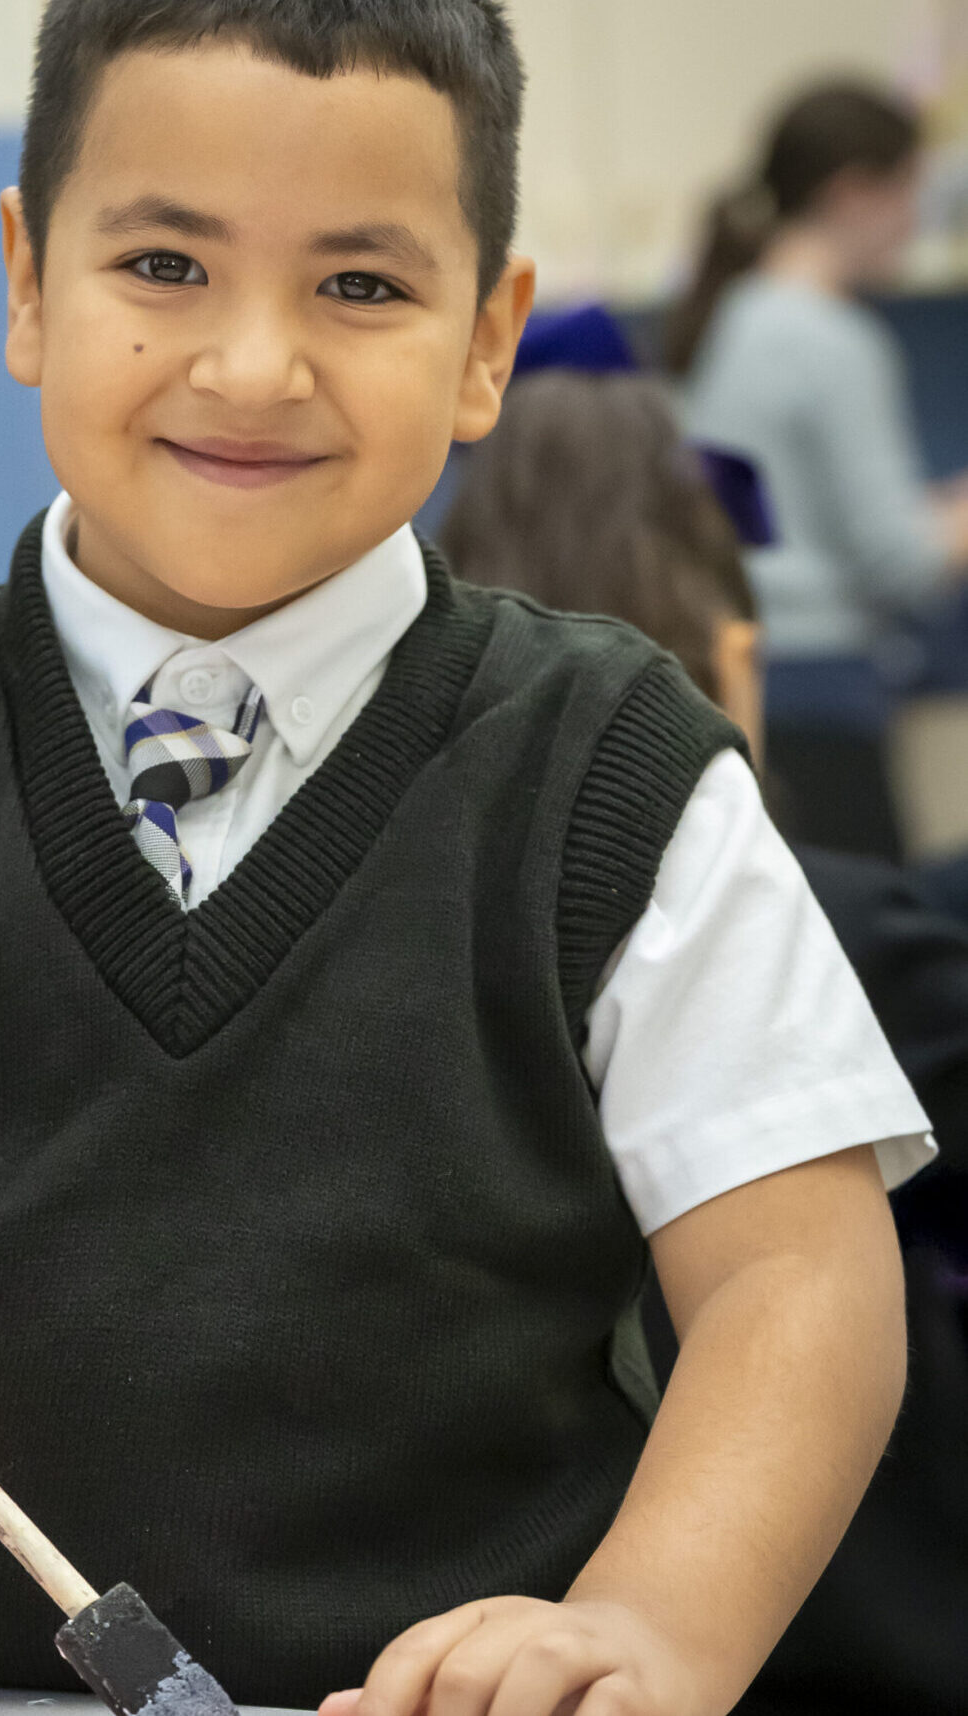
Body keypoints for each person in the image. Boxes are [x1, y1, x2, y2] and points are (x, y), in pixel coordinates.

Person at [0, 7, 933, 1714]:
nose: (253, 366)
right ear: (29, 284)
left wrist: (653, 1626)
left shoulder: (617, 767)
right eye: (165, 263)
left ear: (490, 338)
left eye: (362, 286)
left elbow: (797, 1282)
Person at [442, 365, 968, 1714]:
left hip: (513, 1634)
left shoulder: (428, 942)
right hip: (844, 1642)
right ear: (733, 659)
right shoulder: (859, 934)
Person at [671, 81, 968, 864]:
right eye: (912, 191)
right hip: (825, 693)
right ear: (854, 193)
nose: (917, 220)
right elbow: (896, 560)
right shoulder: (831, 340)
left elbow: (776, 519)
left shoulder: (736, 317)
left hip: (751, 681)